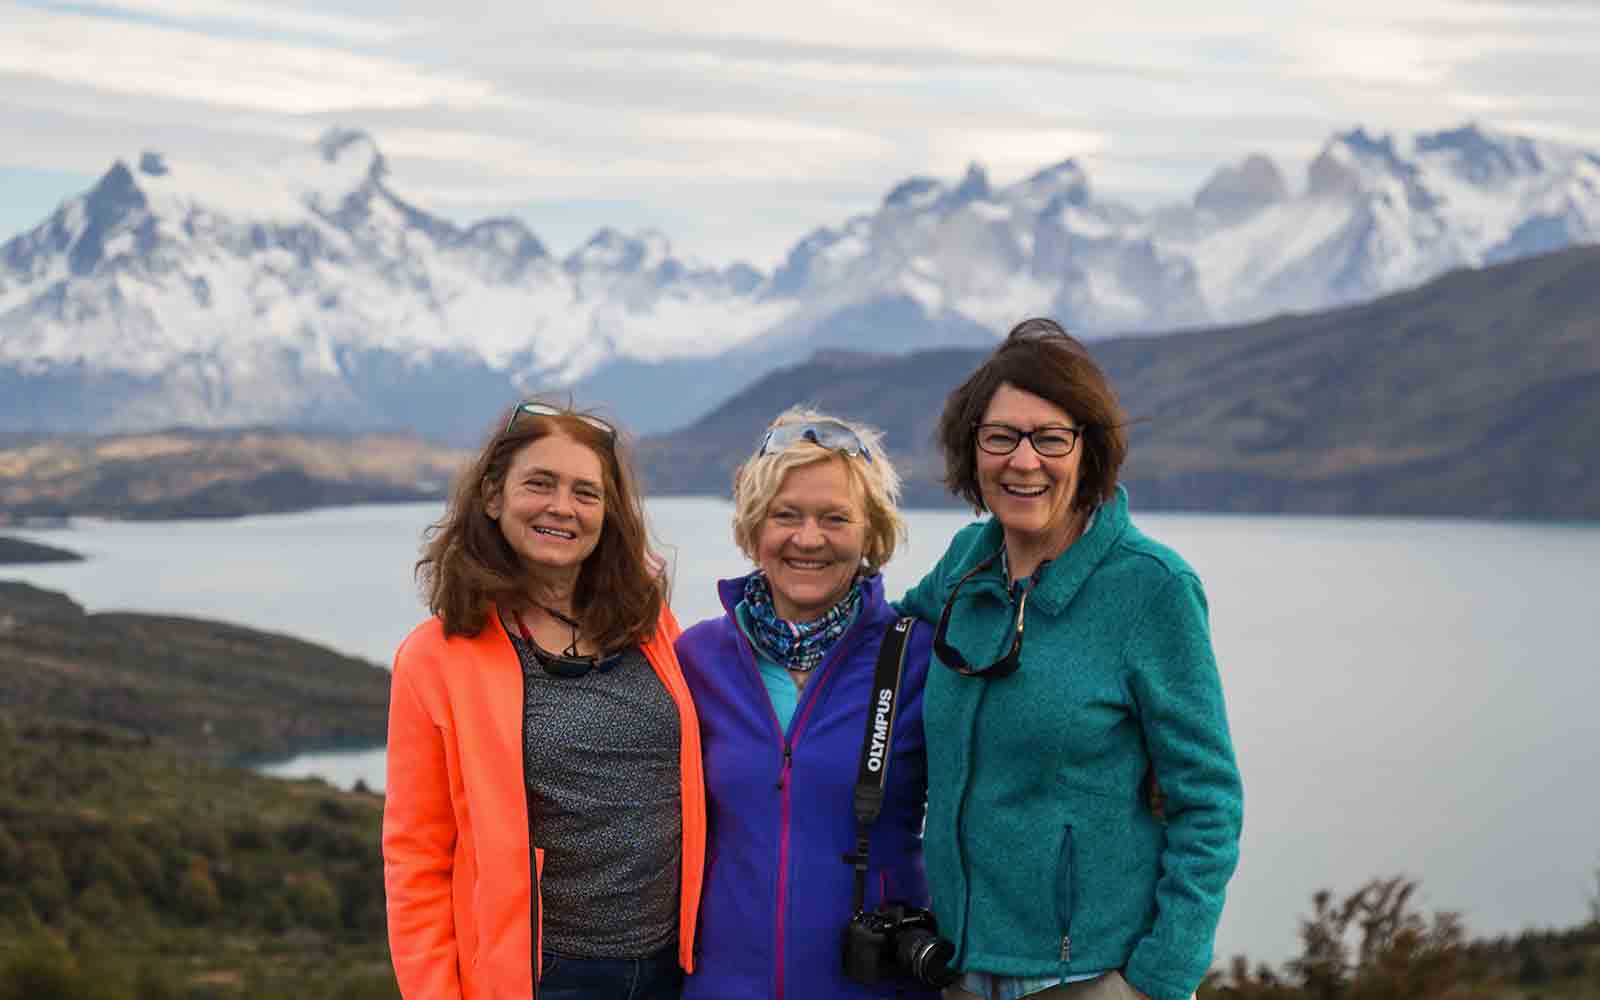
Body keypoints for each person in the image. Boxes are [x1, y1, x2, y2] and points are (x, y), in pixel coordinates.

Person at [897, 319, 1244, 1000]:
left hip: (1087, 977)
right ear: (973, 450)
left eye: (1050, 438)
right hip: (960, 973)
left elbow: (1208, 802)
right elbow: (881, 639)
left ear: (1090, 449)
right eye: (1000, 437)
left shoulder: (1152, 589)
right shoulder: (964, 567)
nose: (1023, 462)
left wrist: (1155, 981)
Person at [382, 400, 706, 1000]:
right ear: (492, 497)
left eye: (587, 492)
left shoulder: (652, 627)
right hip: (542, 977)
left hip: (675, 967)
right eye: (540, 483)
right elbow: (416, 858)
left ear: (608, 515)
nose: (563, 506)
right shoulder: (436, 657)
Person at [676, 408, 944, 1000]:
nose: (808, 539)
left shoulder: (918, 657)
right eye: (785, 515)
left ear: (872, 532)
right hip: (720, 988)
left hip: (875, 988)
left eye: (835, 518)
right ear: (753, 528)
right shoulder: (694, 660)